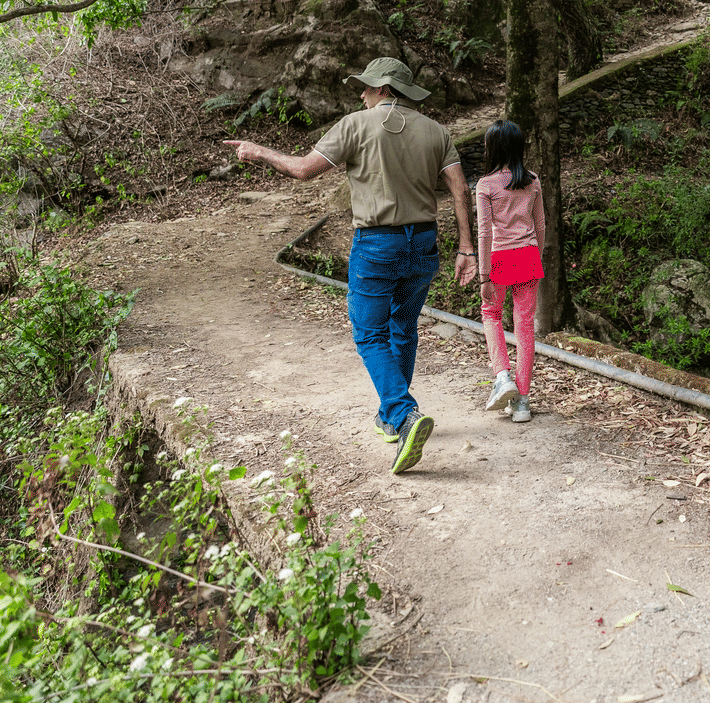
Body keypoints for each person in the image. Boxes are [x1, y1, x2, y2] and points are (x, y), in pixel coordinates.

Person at [222, 57, 477, 474]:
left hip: (379, 243)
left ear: (382, 89)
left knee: (368, 332)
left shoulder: (356, 124)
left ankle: (403, 412)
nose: (360, 94)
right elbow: (460, 189)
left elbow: (304, 170)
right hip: (424, 243)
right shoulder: (436, 131)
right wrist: (466, 247)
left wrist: (258, 151)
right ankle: (392, 417)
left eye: (365, 87)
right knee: (403, 327)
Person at [475, 120, 545, 424]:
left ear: (493, 147)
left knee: (491, 314)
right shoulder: (533, 180)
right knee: (525, 325)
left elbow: (484, 234)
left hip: (499, 258)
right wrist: (535, 257)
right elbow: (540, 225)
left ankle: (502, 376)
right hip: (528, 255)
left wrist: (483, 274)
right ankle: (522, 403)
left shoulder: (486, 184)